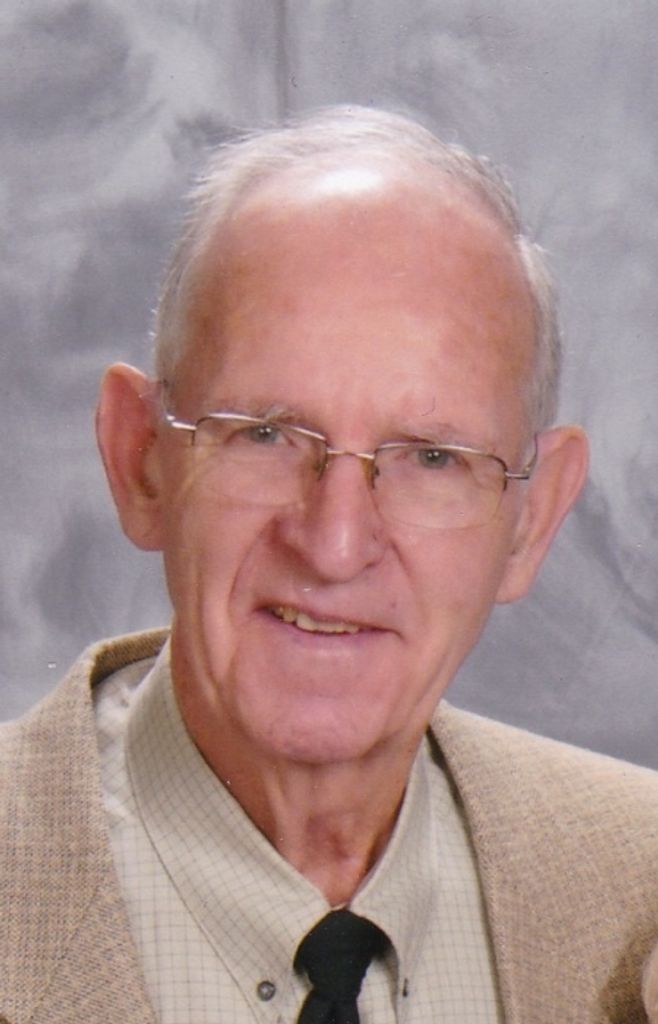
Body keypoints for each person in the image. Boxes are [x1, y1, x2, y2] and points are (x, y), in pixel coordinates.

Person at [2, 105, 658, 1024]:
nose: (335, 543)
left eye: (433, 457)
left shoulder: (641, 887)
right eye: (264, 434)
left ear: (532, 519)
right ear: (140, 458)